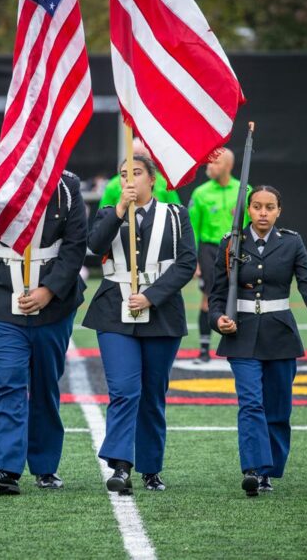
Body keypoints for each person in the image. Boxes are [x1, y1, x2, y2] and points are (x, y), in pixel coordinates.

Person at [0, 165, 87, 496]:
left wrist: (48, 291)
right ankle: (3, 468)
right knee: (9, 381)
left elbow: (75, 245)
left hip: (54, 302)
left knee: (45, 382)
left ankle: (45, 466)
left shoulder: (69, 185)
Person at [208, 185, 307, 498]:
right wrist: (217, 320)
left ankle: (269, 472)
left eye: (269, 207)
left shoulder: (292, 242)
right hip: (241, 334)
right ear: (248, 209)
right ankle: (252, 469)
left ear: (279, 211)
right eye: (256, 207)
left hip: (280, 335)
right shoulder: (230, 242)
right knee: (251, 402)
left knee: (278, 409)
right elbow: (217, 295)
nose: (262, 213)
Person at [83, 155, 196, 494]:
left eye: (135, 173)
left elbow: (186, 261)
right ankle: (119, 466)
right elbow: (94, 246)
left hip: (161, 313)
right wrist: (119, 210)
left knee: (152, 394)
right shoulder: (107, 213)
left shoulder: (176, 215)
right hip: (113, 312)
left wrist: (152, 296)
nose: (128, 179)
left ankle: (151, 468)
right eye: (122, 174)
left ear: (152, 179)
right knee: (123, 390)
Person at [188, 148, 250, 363]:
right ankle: (204, 350)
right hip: (209, 251)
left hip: (239, 251)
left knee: (242, 298)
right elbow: (192, 230)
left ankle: (239, 346)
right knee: (208, 298)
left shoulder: (244, 190)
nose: (209, 167)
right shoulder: (201, 193)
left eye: (214, 163)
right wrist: (194, 261)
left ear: (228, 166)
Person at [98, 138, 181, 209]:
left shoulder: (164, 183)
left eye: (143, 155)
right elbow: (103, 219)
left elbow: (177, 212)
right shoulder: (112, 185)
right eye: (135, 155)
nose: (139, 159)